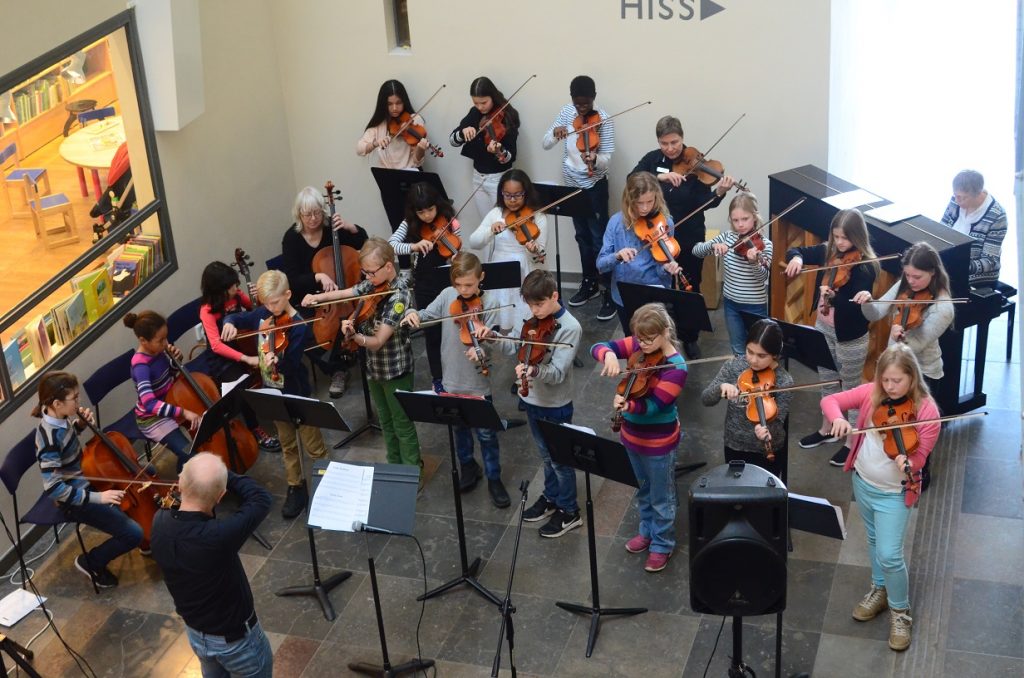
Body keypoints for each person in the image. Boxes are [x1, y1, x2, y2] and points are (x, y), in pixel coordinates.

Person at [821, 343, 941, 652]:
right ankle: (880, 588)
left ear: (912, 378)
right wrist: (837, 419)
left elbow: (920, 457)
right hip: (864, 484)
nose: (889, 387)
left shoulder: (927, 412)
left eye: (896, 381)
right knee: (874, 542)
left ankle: (901, 612)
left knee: (889, 554)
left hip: (895, 493)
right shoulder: (872, 393)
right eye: (885, 380)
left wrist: (908, 462)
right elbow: (831, 400)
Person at [304, 238, 422, 476]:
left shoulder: (399, 298)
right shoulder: (373, 284)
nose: (366, 277)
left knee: (402, 424)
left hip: (396, 370)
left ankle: (411, 474)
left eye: (371, 272)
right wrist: (317, 298)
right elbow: (347, 292)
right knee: (386, 423)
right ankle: (394, 468)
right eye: (364, 272)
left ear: (389, 266)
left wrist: (355, 337)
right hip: (374, 370)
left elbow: (377, 342)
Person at [401, 252, 510, 507]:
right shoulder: (447, 295)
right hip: (451, 378)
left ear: (481, 278)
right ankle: (468, 468)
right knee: (459, 430)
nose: (463, 290)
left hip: (477, 382)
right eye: (458, 284)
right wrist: (414, 313)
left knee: (486, 435)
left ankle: (494, 477)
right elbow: (427, 315)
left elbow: (492, 345)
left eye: (469, 285)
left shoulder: (491, 303)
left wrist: (481, 348)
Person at [151, 453, 273, 677]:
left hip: (196, 633)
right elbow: (261, 499)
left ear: (179, 483)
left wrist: (201, 476)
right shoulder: (217, 537)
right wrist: (226, 474)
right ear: (221, 496)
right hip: (237, 643)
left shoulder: (159, 521)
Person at [223, 270, 329, 519]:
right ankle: (295, 486)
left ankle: (329, 481)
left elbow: (291, 366)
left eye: (275, 302)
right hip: (274, 393)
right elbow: (240, 317)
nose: (270, 309)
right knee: (287, 444)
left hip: (296, 392)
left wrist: (275, 362)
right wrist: (229, 322)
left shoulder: (299, 326)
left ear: (288, 295)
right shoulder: (263, 314)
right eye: (266, 303)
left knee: (313, 445)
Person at [591, 303, 687, 572]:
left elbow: (655, 405)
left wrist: (628, 406)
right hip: (630, 436)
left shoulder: (676, 367)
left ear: (665, 332)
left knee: (662, 496)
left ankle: (662, 543)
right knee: (642, 489)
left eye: (648, 340)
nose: (642, 345)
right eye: (640, 339)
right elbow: (597, 346)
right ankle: (647, 531)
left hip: (658, 443)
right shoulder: (638, 342)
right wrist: (608, 355)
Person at [630, 115, 737, 357]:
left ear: (682, 138)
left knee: (690, 285)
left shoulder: (695, 163)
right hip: (657, 234)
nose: (670, 148)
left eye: (675, 142)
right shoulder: (653, 160)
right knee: (659, 285)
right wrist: (661, 176)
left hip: (689, 234)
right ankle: (659, 333)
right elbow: (632, 179)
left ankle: (690, 337)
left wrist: (719, 193)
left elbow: (703, 202)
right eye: (664, 143)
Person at [855, 242, 954, 491]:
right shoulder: (904, 285)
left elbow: (917, 344)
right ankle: (889, 468)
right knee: (893, 420)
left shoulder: (944, 307)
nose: (911, 281)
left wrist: (901, 337)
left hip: (924, 374)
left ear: (932, 272)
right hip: (894, 370)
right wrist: (867, 301)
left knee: (918, 431)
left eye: (917, 276)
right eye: (907, 275)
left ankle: (920, 473)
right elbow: (876, 312)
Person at [784, 209, 879, 466]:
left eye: (845, 239)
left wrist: (834, 297)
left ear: (857, 238)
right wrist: (796, 259)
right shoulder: (829, 252)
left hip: (850, 336)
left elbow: (855, 308)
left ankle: (851, 440)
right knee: (827, 381)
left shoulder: (866, 267)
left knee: (850, 389)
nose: (839, 244)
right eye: (836, 236)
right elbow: (798, 251)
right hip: (823, 328)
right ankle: (827, 429)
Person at [32, 371, 143, 589]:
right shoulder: (47, 439)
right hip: (73, 500)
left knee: (129, 509)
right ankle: (90, 562)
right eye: (74, 398)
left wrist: (80, 427)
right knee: (134, 534)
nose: (78, 402)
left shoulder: (61, 420)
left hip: (86, 482)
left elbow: (66, 449)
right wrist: (98, 497)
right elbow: (54, 488)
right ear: (56, 403)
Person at [493, 269, 583, 536]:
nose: (534, 310)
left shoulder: (570, 328)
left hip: (554, 404)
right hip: (531, 399)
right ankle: (552, 497)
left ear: (555, 295)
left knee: (560, 460)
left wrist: (533, 371)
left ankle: (569, 510)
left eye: (539, 304)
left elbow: (555, 374)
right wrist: (493, 338)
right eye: (530, 305)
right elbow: (516, 349)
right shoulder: (533, 320)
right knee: (546, 456)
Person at [280, 185, 368, 398]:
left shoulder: (332, 229)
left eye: (317, 212)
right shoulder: (291, 238)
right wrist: (317, 277)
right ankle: (337, 369)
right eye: (307, 214)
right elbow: (291, 279)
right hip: (311, 299)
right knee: (304, 333)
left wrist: (351, 227)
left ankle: (362, 353)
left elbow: (362, 244)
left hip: (343, 291)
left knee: (365, 316)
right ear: (299, 214)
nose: (313, 218)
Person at [543, 75, 616, 321]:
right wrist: (556, 134)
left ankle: (608, 290)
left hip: (594, 186)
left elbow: (607, 156)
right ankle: (589, 283)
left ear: (593, 98)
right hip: (572, 186)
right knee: (582, 236)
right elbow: (545, 144)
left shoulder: (603, 119)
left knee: (599, 240)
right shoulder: (566, 113)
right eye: (577, 103)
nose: (581, 108)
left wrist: (595, 159)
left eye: (585, 104)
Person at [196, 260, 280, 451]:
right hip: (223, 358)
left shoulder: (236, 296)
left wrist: (255, 297)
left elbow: (255, 310)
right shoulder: (207, 310)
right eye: (233, 286)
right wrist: (246, 359)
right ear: (219, 289)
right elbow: (216, 345)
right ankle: (255, 428)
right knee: (242, 386)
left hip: (245, 344)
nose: (237, 288)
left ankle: (279, 410)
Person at [388, 181, 461, 393]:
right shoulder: (409, 223)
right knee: (432, 332)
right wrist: (414, 246)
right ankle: (438, 377)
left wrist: (453, 251)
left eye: (430, 209)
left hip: (449, 280)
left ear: (437, 204)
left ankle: (457, 375)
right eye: (422, 212)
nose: (428, 216)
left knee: (454, 330)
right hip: (425, 283)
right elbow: (391, 245)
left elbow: (458, 240)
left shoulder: (449, 218)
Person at [701, 318, 793, 480]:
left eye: (761, 355)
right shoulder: (734, 366)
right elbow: (706, 399)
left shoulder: (784, 381)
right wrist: (721, 387)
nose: (753, 360)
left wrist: (767, 431)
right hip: (734, 445)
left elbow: (778, 422)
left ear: (775, 355)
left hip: (767, 451)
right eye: (749, 351)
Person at [596, 171, 683, 337]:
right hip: (623, 294)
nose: (644, 208)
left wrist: (667, 268)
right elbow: (600, 265)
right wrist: (617, 256)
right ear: (629, 200)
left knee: (655, 342)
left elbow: (661, 267)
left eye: (649, 202)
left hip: (654, 295)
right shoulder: (616, 222)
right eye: (639, 203)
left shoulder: (665, 223)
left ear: (657, 197)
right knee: (632, 342)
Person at [692, 193, 772, 356]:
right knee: (737, 349)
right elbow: (696, 251)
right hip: (731, 305)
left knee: (758, 350)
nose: (740, 225)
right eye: (735, 220)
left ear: (754, 217)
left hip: (755, 306)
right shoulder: (727, 237)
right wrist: (713, 245)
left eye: (745, 219)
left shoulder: (765, 245)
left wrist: (754, 263)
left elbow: (763, 278)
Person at [468, 168, 548, 333]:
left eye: (518, 195)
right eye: (507, 195)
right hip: (499, 269)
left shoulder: (537, 217)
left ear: (526, 193)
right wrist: (490, 230)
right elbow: (474, 242)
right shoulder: (496, 213)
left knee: (523, 319)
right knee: (499, 317)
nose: (512, 200)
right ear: (501, 194)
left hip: (523, 269)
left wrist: (533, 251)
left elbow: (539, 257)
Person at [124, 311, 199, 473]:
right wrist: (184, 412)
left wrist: (174, 362)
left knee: (198, 441)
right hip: (153, 418)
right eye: (160, 340)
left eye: (166, 338)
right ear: (143, 341)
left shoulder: (158, 351)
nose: (166, 343)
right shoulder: (140, 366)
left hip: (171, 402)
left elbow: (167, 377)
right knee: (189, 454)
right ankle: (184, 486)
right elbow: (150, 404)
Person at [449, 77, 519, 220]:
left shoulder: (508, 116)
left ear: (492, 97)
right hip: (477, 177)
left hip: (498, 179)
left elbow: (511, 156)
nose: (480, 107)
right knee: (486, 224)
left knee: (502, 224)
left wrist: (500, 151)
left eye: (484, 102)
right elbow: (452, 140)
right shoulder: (474, 113)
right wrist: (462, 133)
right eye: (476, 103)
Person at [939, 169, 1006, 287]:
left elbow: (990, 261)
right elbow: (940, 232)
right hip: (949, 265)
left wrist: (957, 267)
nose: (956, 200)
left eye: (962, 197)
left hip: (975, 277)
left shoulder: (997, 216)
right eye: (955, 195)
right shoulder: (956, 202)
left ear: (978, 194)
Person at [356, 79, 429, 169]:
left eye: (398, 103)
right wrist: (375, 143)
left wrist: (420, 150)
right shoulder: (380, 123)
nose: (394, 108)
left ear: (404, 102)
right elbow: (360, 149)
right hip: (386, 175)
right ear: (383, 104)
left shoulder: (414, 120)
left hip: (410, 174)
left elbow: (417, 162)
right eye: (389, 104)